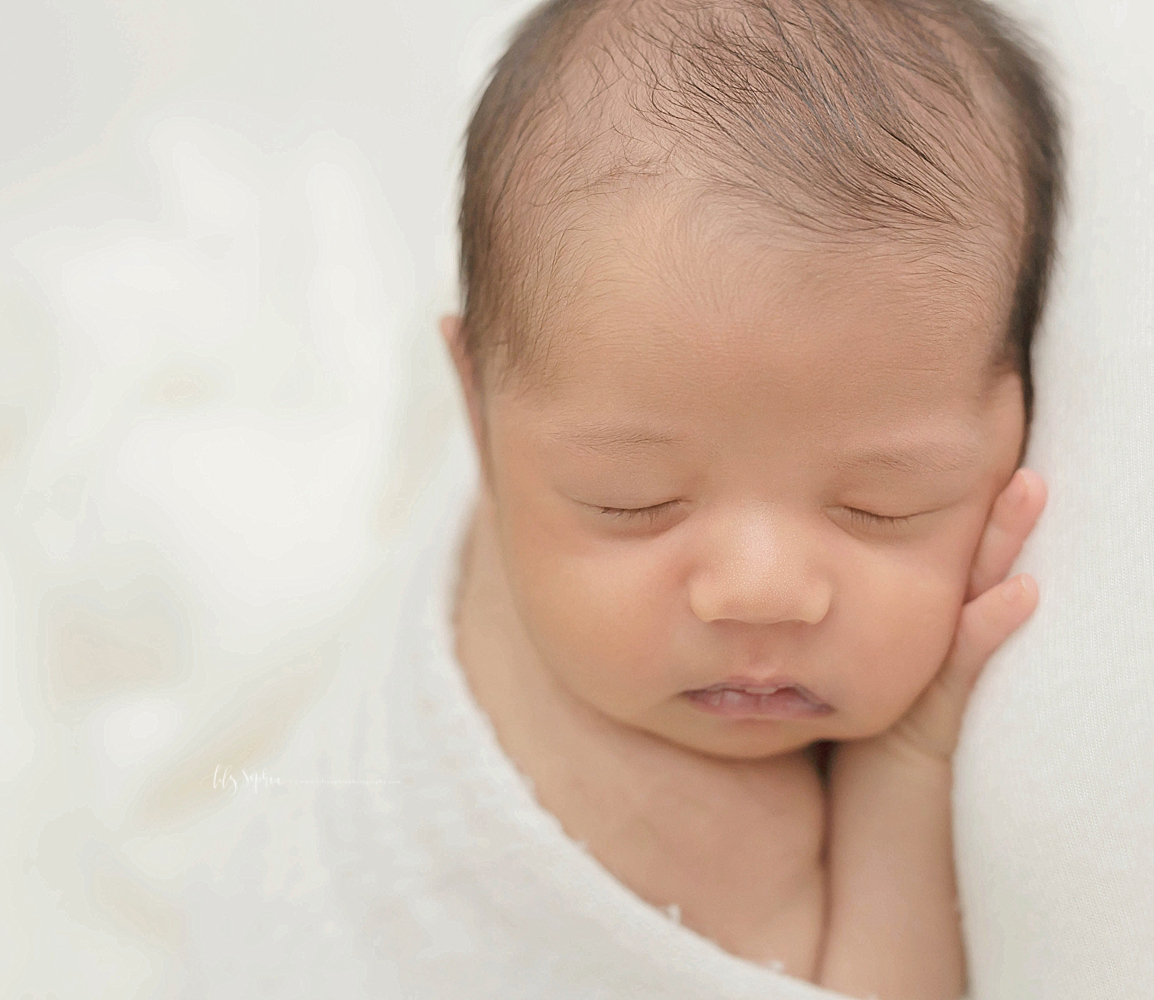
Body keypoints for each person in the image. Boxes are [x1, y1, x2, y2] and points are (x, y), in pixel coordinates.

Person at [181, 1, 1062, 998]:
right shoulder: (705, 838)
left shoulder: (583, 430)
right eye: (632, 502)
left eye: (881, 504)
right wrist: (904, 766)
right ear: (475, 409)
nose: (758, 592)